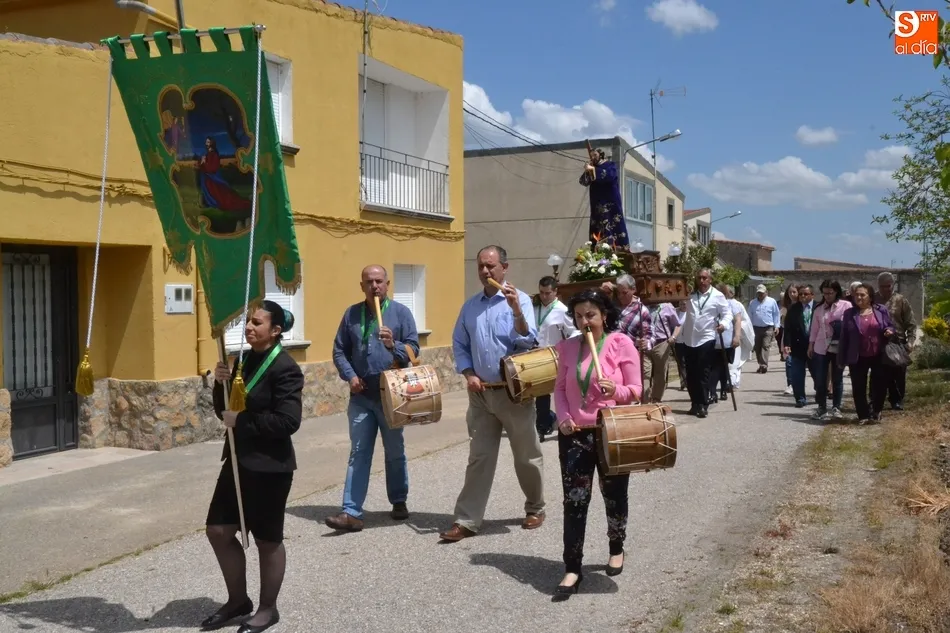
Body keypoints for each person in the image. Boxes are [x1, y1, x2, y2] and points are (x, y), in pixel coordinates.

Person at [203, 301, 304, 633]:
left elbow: (288, 421)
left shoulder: (286, 368)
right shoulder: (243, 360)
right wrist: (220, 384)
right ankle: (238, 601)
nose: (248, 326)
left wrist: (243, 422)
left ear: (275, 331)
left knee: (267, 540)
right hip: (237, 459)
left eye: (257, 322)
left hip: (270, 467)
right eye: (248, 320)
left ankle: (267, 609)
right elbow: (226, 411)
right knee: (218, 531)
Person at [440, 245, 545, 542]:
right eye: (481, 266)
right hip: (481, 394)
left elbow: (529, 341)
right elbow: (460, 343)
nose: (485, 271)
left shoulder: (520, 299)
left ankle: (535, 506)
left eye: (491, 266)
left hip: (514, 392)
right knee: (479, 458)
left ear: (504, 268)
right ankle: (466, 520)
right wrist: (468, 373)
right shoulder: (470, 307)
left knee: (526, 455)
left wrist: (516, 311)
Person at [552, 288, 642, 598]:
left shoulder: (621, 343)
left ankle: (616, 547)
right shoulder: (567, 347)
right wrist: (563, 418)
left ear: (604, 315)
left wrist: (615, 390)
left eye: (590, 315)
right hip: (575, 434)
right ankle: (572, 567)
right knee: (574, 501)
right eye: (578, 316)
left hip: (611, 431)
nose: (584, 322)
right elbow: (560, 389)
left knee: (614, 495)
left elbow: (636, 390)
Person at [327, 265, 420, 532]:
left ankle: (399, 499)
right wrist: (350, 376)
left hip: (392, 395)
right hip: (361, 395)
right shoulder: (351, 314)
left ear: (387, 284)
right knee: (359, 452)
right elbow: (339, 350)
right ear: (362, 286)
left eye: (379, 281)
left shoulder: (401, 313)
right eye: (369, 282)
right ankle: (351, 511)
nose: (374, 286)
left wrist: (394, 345)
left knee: (394, 451)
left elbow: (414, 350)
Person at [839, 283, 897, 424]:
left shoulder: (881, 310)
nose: (859, 297)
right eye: (856, 295)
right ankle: (863, 415)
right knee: (858, 387)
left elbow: (890, 325)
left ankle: (876, 411)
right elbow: (844, 336)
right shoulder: (849, 313)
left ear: (870, 297)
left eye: (862, 295)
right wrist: (841, 358)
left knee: (879, 385)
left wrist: (889, 331)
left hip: (878, 354)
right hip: (857, 355)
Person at [680, 269, 732, 418]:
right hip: (689, 338)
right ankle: (695, 403)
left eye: (704, 278)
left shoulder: (717, 296)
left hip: (706, 337)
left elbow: (727, 313)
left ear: (710, 279)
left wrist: (723, 324)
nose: (702, 281)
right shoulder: (690, 295)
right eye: (699, 278)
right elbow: (682, 310)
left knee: (703, 372)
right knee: (691, 374)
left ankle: (703, 404)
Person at [534, 276, 578, 442]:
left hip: (556, 356)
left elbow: (574, 331)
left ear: (555, 292)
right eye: (541, 293)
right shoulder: (535, 308)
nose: (544, 296)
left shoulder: (562, 310)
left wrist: (564, 346)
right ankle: (542, 426)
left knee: (562, 391)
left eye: (548, 293)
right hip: (537, 355)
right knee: (541, 394)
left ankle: (566, 421)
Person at [808, 280, 849, 421]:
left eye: (830, 293)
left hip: (838, 347)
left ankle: (836, 407)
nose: (827, 296)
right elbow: (814, 329)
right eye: (825, 293)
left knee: (837, 378)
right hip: (821, 347)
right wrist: (811, 345)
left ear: (836, 292)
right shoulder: (819, 309)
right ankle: (822, 407)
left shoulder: (846, 306)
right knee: (820, 379)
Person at [876, 272, 917, 410]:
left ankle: (897, 400)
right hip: (878, 341)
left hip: (897, 342)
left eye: (888, 286)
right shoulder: (873, 299)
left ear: (893, 285)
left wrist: (910, 341)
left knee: (898, 373)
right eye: (882, 286)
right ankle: (876, 400)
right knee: (880, 373)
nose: (885, 289)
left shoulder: (901, 300)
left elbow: (911, 323)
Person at [578, 147, 630, 249]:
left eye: (595, 155)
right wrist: (587, 170)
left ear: (601, 155)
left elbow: (609, 176)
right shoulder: (593, 167)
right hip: (597, 204)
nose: (593, 158)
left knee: (613, 225)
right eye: (591, 156)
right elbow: (583, 182)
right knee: (597, 228)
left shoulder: (610, 165)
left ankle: (618, 247)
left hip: (610, 203)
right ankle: (597, 249)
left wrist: (593, 169)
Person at [784, 285, 818, 408]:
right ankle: (800, 398)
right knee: (797, 373)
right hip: (798, 345)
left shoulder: (818, 307)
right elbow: (788, 327)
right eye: (801, 294)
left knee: (817, 373)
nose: (802, 296)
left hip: (815, 346)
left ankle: (820, 393)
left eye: (806, 294)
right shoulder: (794, 308)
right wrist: (787, 344)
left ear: (812, 295)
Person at [711, 284, 742, 402]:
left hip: (727, 340)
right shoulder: (711, 304)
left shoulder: (732, 304)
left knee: (724, 367)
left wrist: (737, 336)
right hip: (712, 340)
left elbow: (737, 320)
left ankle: (723, 389)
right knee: (714, 367)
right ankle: (712, 392)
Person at [748, 284, 781, 373]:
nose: (760, 295)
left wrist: (777, 326)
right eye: (759, 293)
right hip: (756, 328)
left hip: (768, 328)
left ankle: (763, 365)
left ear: (766, 292)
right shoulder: (752, 303)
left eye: (762, 293)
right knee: (757, 347)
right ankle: (761, 364)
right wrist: (749, 328)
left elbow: (776, 314)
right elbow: (749, 315)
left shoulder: (772, 301)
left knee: (765, 346)